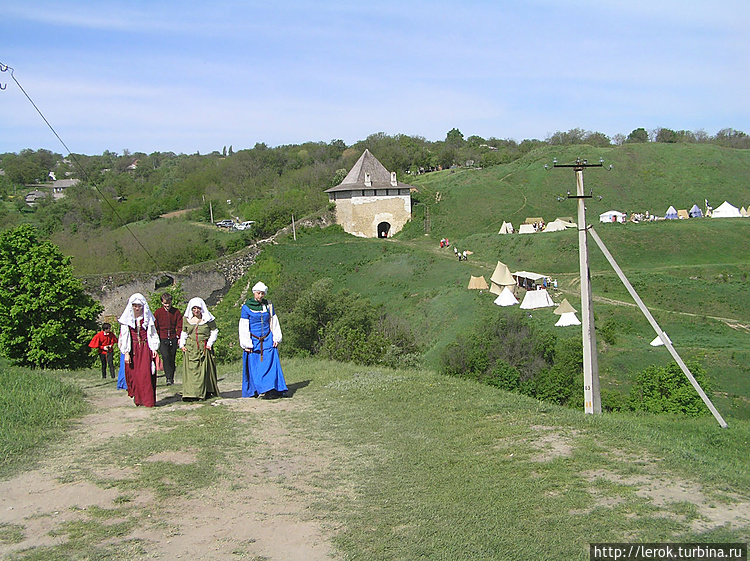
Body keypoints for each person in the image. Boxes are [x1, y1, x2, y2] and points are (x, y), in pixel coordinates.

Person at [239, 281, 288, 398]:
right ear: (254, 293)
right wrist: (246, 344)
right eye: (258, 293)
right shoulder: (246, 308)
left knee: (270, 365)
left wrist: (276, 337)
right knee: (256, 367)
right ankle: (257, 389)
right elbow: (243, 326)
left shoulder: (268, 306)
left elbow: (274, 321)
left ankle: (271, 389)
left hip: (268, 340)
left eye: (262, 293)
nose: (260, 296)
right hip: (254, 341)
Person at [118, 293, 160, 407]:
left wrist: (154, 348)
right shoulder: (127, 319)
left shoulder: (147, 318)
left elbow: (152, 334)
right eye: (135, 306)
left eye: (139, 306)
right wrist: (126, 352)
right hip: (133, 349)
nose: (137, 308)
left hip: (145, 348)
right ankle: (138, 400)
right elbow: (124, 336)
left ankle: (148, 400)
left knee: (146, 374)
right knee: (135, 375)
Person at [179, 297, 220, 401]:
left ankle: (203, 393)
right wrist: (182, 344)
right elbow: (184, 332)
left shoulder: (208, 319)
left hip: (203, 347)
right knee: (191, 372)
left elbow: (214, 331)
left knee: (203, 371)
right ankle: (190, 393)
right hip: (190, 348)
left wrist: (210, 343)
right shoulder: (187, 319)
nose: (196, 311)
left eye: (198, 308)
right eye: (194, 309)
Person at [153, 293, 182, 386]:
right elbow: (155, 326)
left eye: (169, 303)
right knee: (165, 357)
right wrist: (156, 337)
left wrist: (179, 336)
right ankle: (168, 378)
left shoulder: (176, 312)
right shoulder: (158, 312)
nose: (167, 305)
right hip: (162, 338)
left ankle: (172, 376)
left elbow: (179, 325)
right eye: (165, 303)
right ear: (162, 303)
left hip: (173, 338)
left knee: (172, 358)